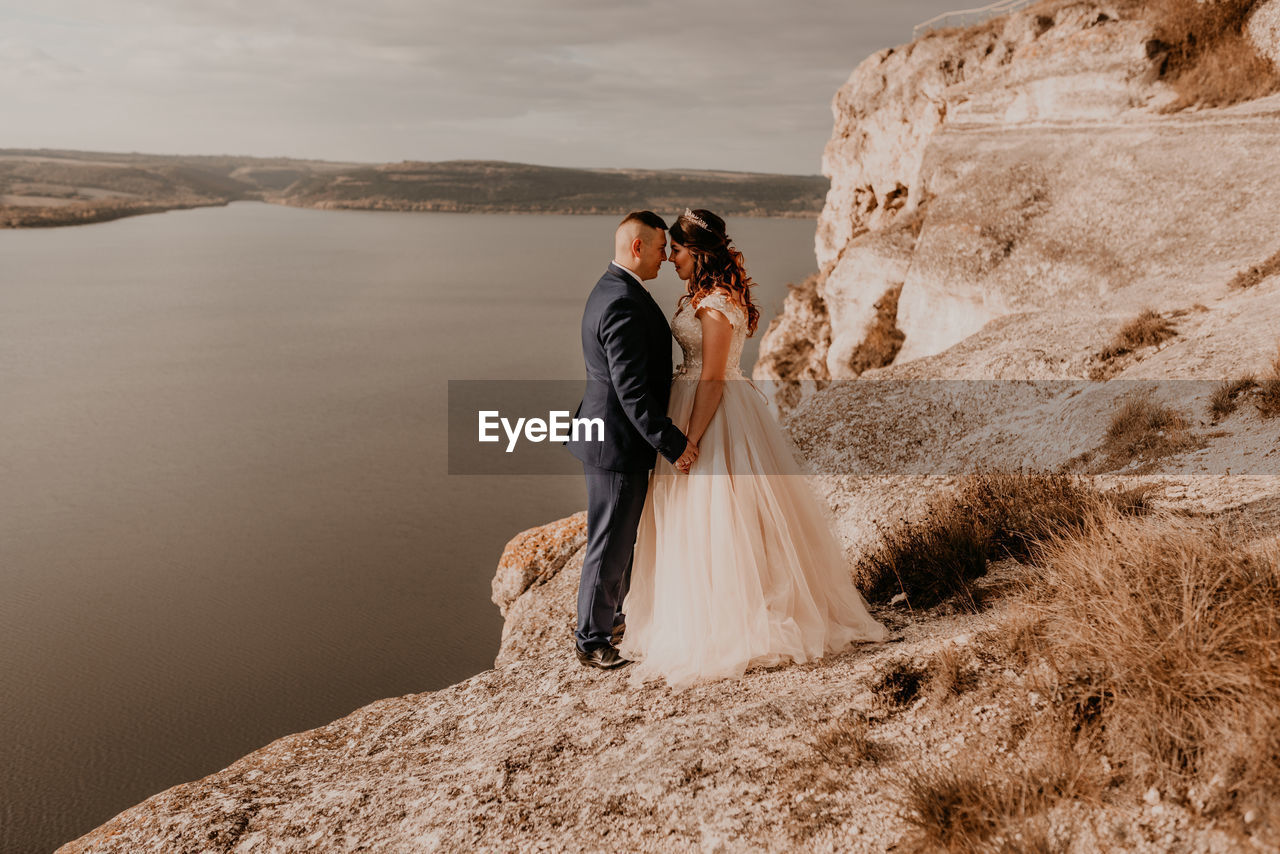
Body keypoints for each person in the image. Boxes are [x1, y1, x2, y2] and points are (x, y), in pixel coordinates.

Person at [617, 208, 889, 688]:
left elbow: (715, 376)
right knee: (702, 517)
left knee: (719, 514)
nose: (670, 258)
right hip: (695, 403)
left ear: (698, 254)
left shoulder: (717, 303)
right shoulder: (705, 296)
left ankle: (736, 617)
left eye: (676, 250)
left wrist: (690, 440)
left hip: (713, 413)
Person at [566, 211, 699, 670]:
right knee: (610, 540)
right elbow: (632, 393)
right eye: (662, 247)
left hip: (610, 438)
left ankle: (611, 618)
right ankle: (591, 639)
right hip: (616, 443)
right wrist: (674, 443)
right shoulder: (621, 300)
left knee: (620, 536)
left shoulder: (615, 288)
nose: (666, 256)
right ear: (638, 247)